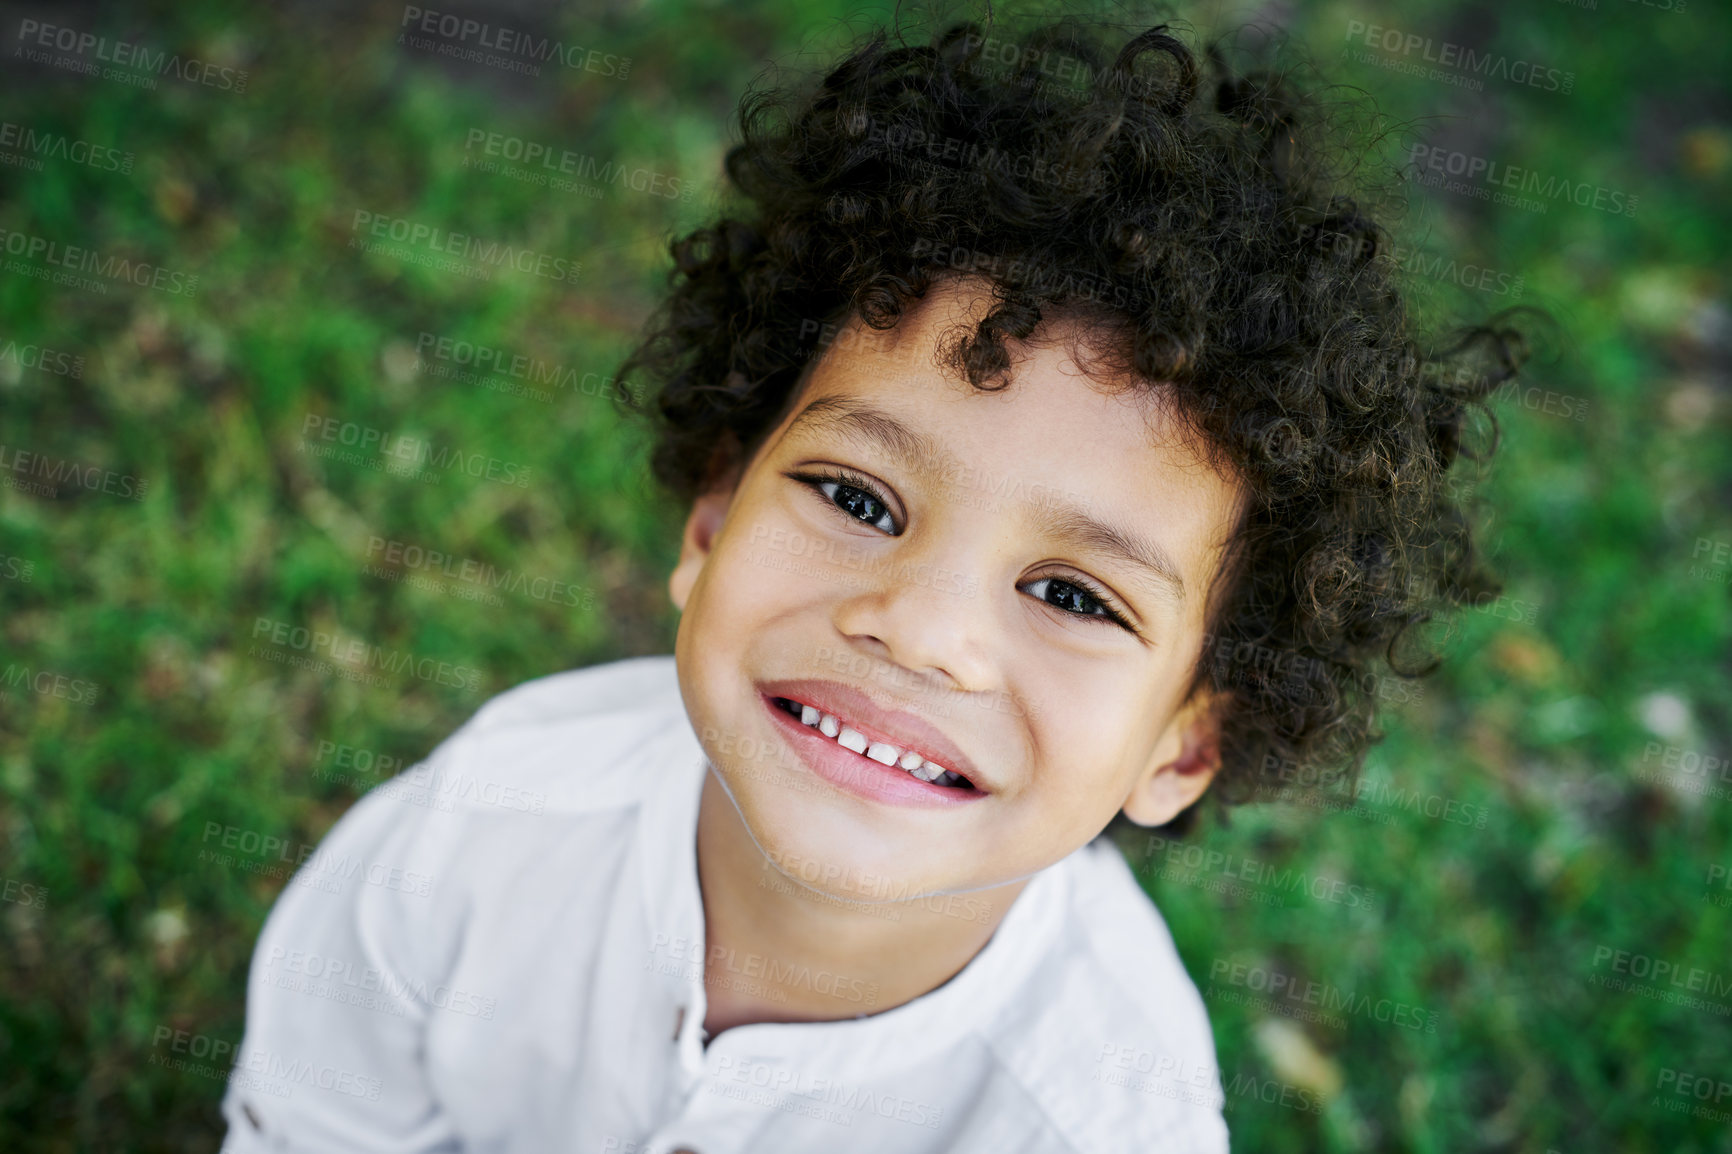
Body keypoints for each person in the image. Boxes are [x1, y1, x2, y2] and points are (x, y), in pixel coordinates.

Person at [223, 11, 1521, 1152]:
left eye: (1076, 594)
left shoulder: (1107, 1116)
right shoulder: (488, 821)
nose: (922, 628)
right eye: (857, 498)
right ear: (710, 522)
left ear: (1184, 745)